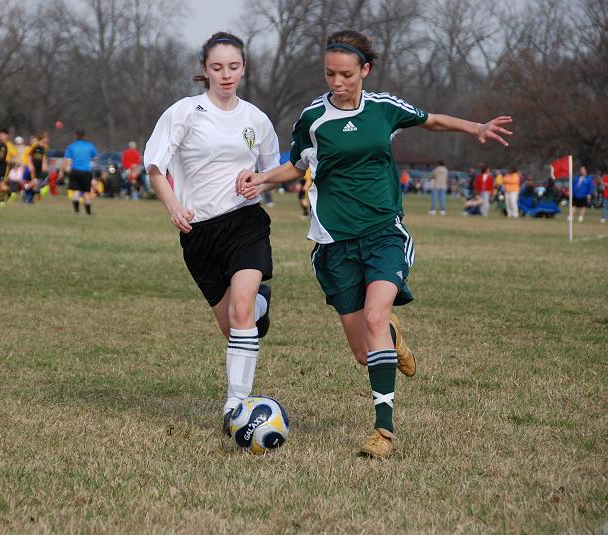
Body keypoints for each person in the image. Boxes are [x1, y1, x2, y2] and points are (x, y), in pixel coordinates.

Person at [237, 29, 512, 458]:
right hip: (334, 246)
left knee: (374, 317)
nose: (337, 82)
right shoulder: (313, 118)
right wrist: (260, 178)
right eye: (330, 74)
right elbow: (294, 165)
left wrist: (474, 127)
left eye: (346, 74)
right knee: (366, 353)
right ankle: (393, 340)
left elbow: (431, 120)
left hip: (384, 233)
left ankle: (383, 433)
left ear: (365, 70)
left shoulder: (384, 109)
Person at [144, 32, 280, 436]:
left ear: (243, 68)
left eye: (233, 67)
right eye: (217, 67)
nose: (226, 75)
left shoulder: (256, 120)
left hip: (245, 223)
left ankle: (236, 405)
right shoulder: (185, 112)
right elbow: (155, 166)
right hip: (198, 233)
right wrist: (173, 206)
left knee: (239, 315)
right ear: (205, 70)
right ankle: (259, 307)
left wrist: (259, 180)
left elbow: (275, 172)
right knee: (235, 325)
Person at [63, 129, 98, 214]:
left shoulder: (71, 146)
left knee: (75, 191)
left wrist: (64, 170)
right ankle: (88, 212)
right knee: (86, 191)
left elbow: (66, 160)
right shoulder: (90, 146)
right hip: (86, 171)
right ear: (84, 136)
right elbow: (95, 157)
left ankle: (77, 211)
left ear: (75, 136)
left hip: (75, 171)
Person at [24, 132, 48, 204]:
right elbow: (29, 155)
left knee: (37, 184)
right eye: (46, 138)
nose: (47, 139)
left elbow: (42, 157)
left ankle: (29, 198)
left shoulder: (44, 146)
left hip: (39, 167)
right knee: (35, 182)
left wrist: (44, 164)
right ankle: (26, 188)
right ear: (42, 138)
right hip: (34, 167)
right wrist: (30, 164)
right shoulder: (35, 145)